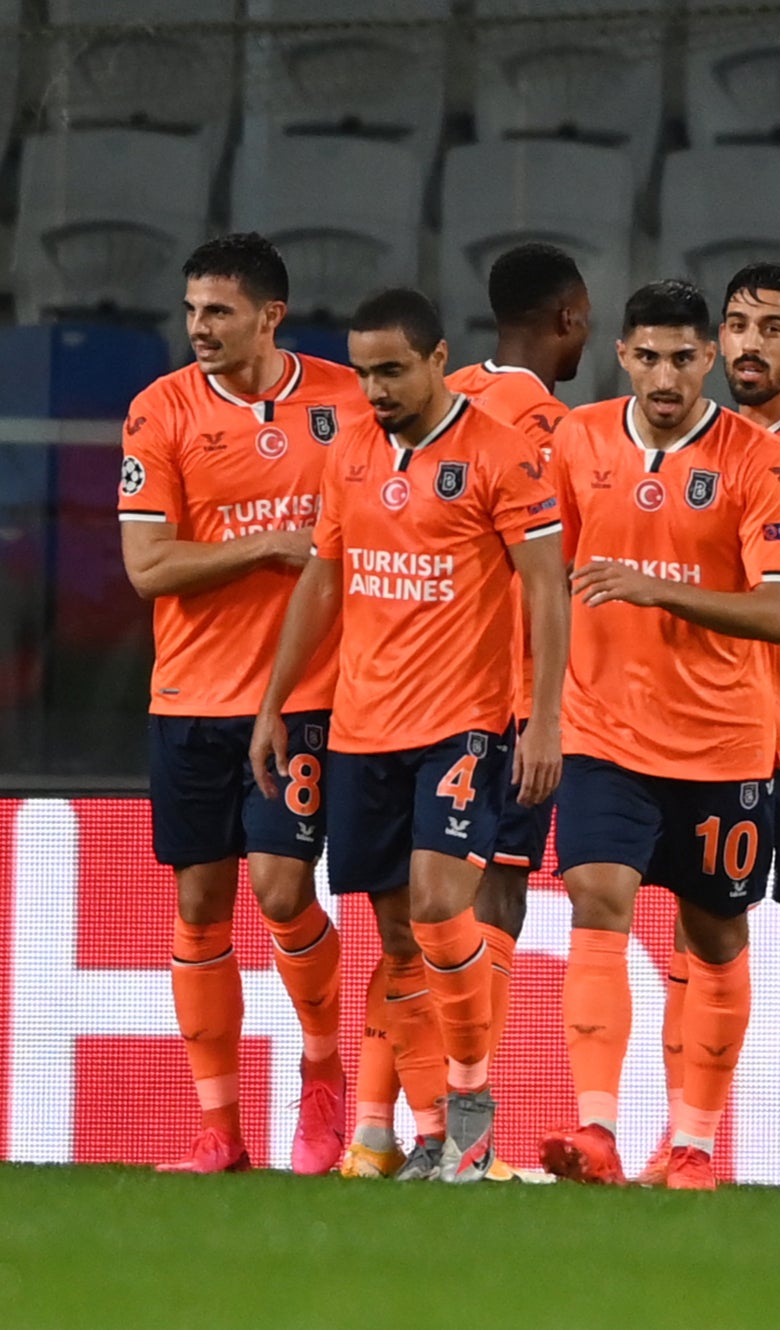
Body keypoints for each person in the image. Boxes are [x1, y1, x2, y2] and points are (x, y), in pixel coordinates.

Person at [250, 288, 567, 1184]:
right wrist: (276, 702)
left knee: (437, 905)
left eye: (391, 370)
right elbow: (323, 580)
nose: (375, 388)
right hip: (361, 728)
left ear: (437, 360)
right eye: (362, 372)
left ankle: (470, 1099)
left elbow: (546, 590)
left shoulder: (501, 456)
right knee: (395, 940)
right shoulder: (349, 447)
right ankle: (433, 1136)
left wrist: (542, 719)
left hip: (463, 725)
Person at [539, 280, 780, 1192]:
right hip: (603, 730)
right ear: (621, 354)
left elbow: (777, 613)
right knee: (597, 900)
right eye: (647, 355)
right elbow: (550, 581)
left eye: (684, 358)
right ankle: (598, 1129)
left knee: (715, 937)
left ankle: (691, 1142)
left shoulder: (757, 462)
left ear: (711, 361)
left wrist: (655, 589)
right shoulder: (577, 441)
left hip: (721, 743)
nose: (665, 375)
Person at [119, 233, 369, 1175]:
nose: (199, 329)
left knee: (281, 888)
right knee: (198, 907)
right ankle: (218, 1129)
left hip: (304, 693)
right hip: (189, 693)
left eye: (217, 312)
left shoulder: (347, 399)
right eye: (191, 312)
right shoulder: (160, 412)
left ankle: (320, 1070)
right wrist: (268, 548)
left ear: (270, 315)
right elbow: (149, 566)